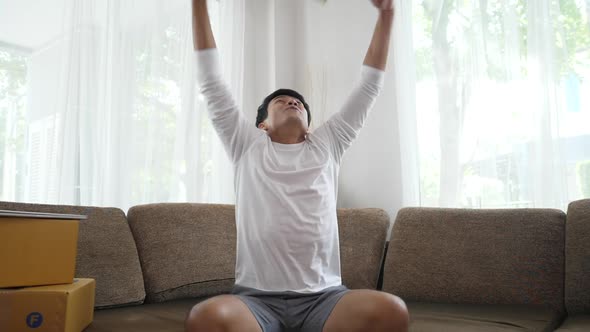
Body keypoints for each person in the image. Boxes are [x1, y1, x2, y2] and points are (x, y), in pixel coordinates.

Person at [186, 0, 408, 331]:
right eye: (281, 101)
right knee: (204, 318)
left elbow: (369, 87)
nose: (294, 101)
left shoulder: (328, 144)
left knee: (392, 311)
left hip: (326, 299)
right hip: (256, 301)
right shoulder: (246, 145)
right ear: (262, 124)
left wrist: (387, 14)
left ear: (309, 122)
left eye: (300, 103)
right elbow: (211, 81)